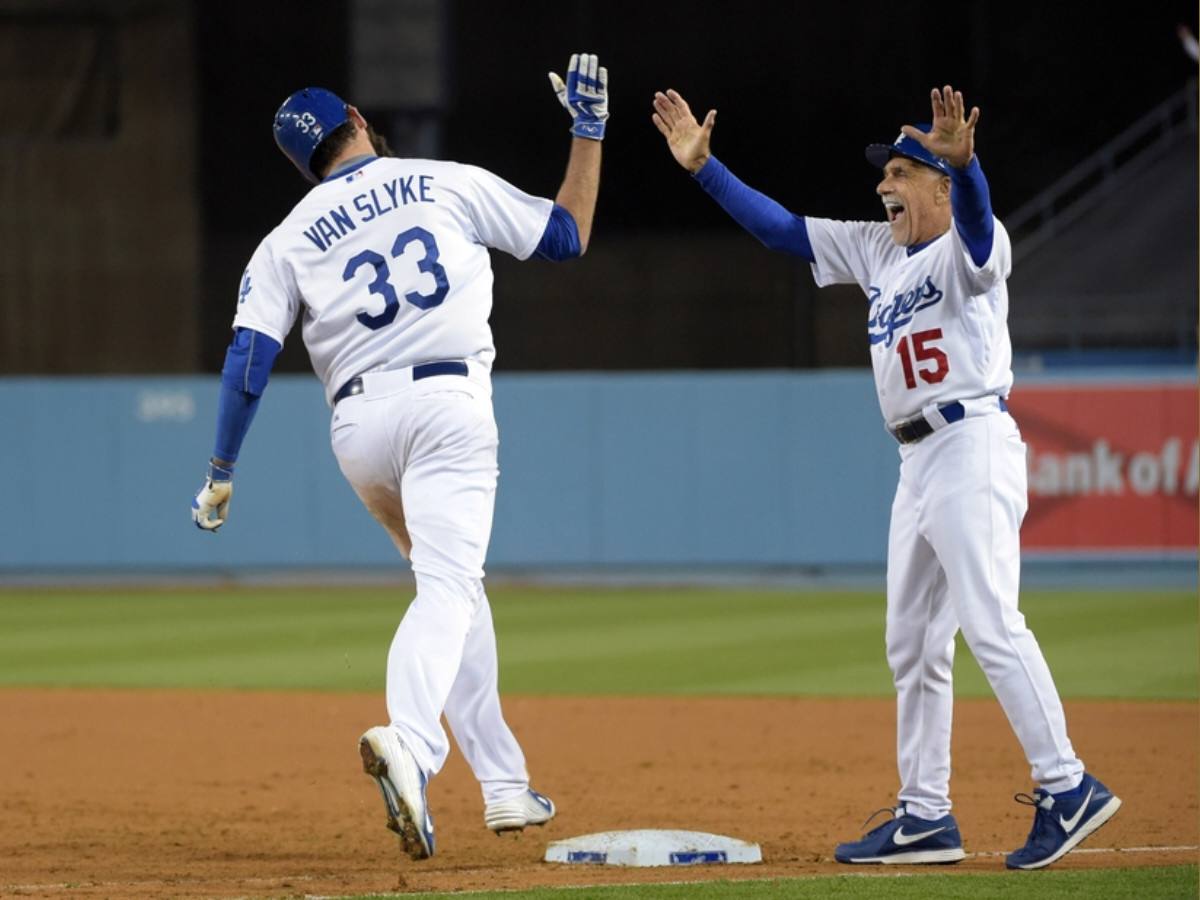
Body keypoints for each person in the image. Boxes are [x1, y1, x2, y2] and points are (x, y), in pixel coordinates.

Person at [651, 84, 1120, 870]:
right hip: (916, 461)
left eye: (901, 173)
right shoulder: (876, 249)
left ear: (937, 185)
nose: (884, 186)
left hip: (971, 441)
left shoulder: (972, 248)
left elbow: (975, 224)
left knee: (991, 622)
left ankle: (1067, 784)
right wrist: (705, 169)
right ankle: (926, 815)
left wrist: (967, 170)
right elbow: (783, 232)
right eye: (886, 175)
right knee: (912, 643)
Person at [191, 52, 608, 860]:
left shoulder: (287, 239)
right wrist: (588, 133)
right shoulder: (439, 177)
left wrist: (220, 471)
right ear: (355, 115)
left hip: (359, 430)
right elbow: (565, 237)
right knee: (448, 587)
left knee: (452, 585)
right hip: (447, 406)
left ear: (300, 164)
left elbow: (247, 360)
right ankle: (412, 746)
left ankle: (505, 784)